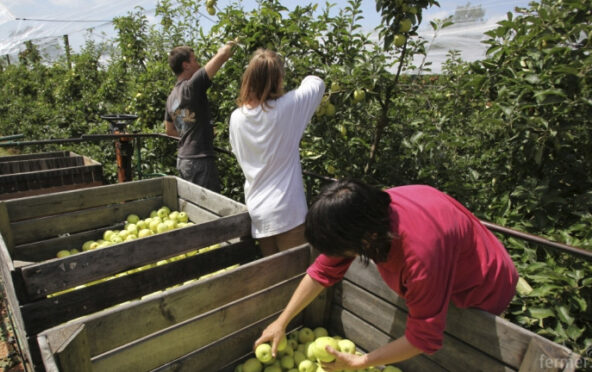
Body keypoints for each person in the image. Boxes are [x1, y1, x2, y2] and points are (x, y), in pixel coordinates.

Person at [254, 178, 518, 371]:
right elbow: (323, 270)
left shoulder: (421, 256)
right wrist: (282, 321)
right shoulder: (363, 216)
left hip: (482, 285)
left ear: (367, 240)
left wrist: (360, 362)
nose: (340, 256)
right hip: (442, 266)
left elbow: (425, 337)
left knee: (465, 347)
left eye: (343, 250)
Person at [228, 49, 325, 257]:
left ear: (248, 78)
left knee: (275, 279)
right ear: (278, 79)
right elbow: (317, 83)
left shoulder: (236, 118)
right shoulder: (287, 107)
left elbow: (238, 153)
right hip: (288, 212)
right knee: (296, 276)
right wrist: (306, 75)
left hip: (258, 212)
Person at [164, 41, 236, 193]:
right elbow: (222, 56)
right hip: (199, 161)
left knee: (193, 205)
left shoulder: (171, 97)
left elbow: (169, 130)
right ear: (186, 65)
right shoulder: (191, 87)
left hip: (184, 159)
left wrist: (193, 132)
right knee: (209, 208)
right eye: (194, 60)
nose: (198, 64)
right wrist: (234, 43)